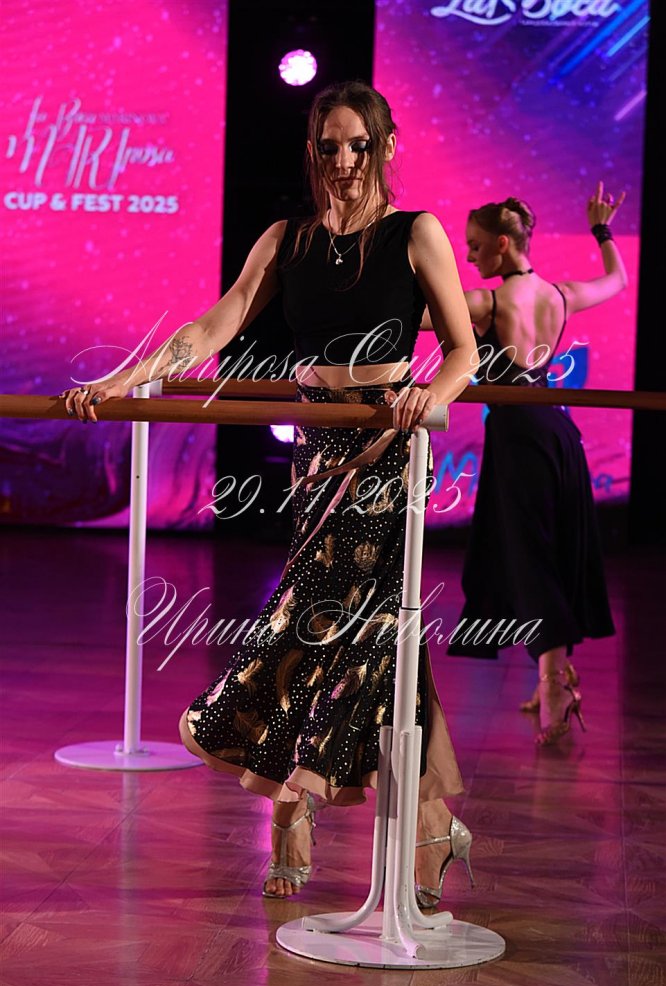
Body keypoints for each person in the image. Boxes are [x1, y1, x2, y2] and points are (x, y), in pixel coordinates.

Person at [59, 81, 479, 907]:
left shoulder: (416, 233)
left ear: (386, 147)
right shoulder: (288, 240)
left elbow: (463, 349)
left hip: (388, 448)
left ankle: (298, 794)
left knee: (347, 623)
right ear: (312, 152)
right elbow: (209, 329)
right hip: (318, 453)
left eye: (359, 144)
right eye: (329, 146)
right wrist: (121, 380)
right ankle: (432, 825)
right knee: (356, 631)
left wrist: (432, 394)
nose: (344, 160)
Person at [421, 183, 627, 746]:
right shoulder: (560, 296)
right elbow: (618, 280)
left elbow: (421, 314)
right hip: (560, 434)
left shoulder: (488, 304)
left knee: (529, 559)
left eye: (474, 246)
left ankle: (553, 683)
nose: (468, 256)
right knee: (548, 553)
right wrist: (602, 230)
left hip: (518, 438)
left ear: (503, 244)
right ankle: (552, 674)